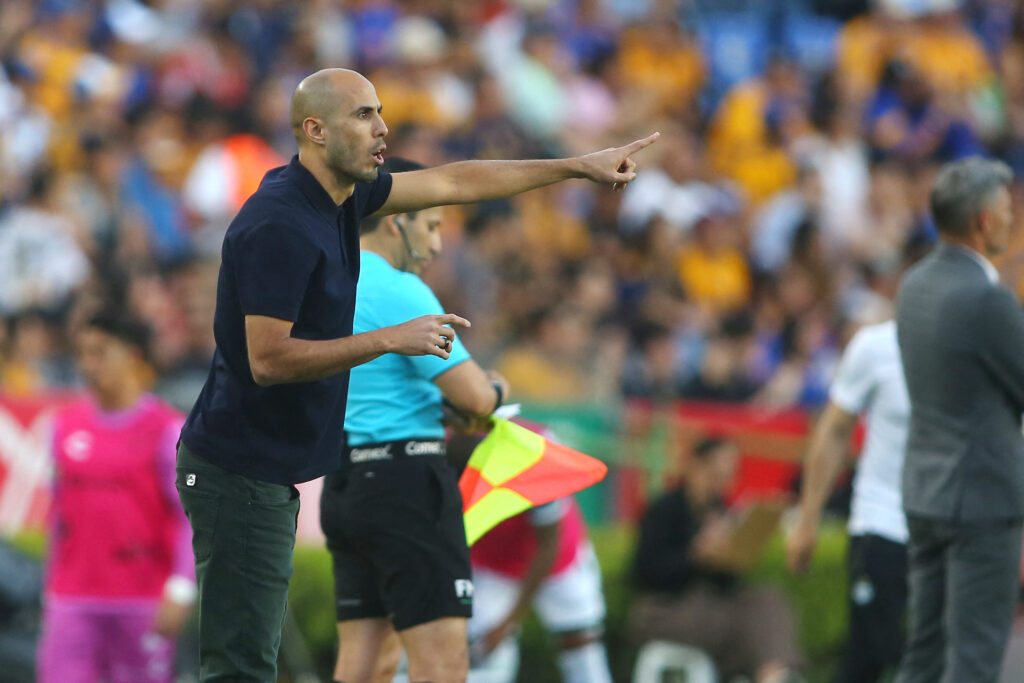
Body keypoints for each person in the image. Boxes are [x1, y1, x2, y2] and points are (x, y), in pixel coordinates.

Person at [176, 67, 658, 683]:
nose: (382, 128)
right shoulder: (281, 224)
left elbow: (456, 179)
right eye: (363, 115)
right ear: (315, 130)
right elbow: (268, 360)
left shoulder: (339, 199)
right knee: (244, 667)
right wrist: (391, 341)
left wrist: (577, 165)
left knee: (316, 662)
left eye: (379, 111)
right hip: (244, 471)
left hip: (280, 469)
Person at [321, 155, 510, 683]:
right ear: (395, 217)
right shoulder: (399, 289)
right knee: (442, 664)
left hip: (346, 479)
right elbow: (474, 397)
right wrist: (496, 389)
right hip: (406, 481)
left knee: (364, 661)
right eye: (430, 224)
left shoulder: (329, 279)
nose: (436, 243)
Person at [894, 157, 1024, 683]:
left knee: (923, 656)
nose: (1014, 220)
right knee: (974, 658)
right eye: (1009, 210)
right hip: (982, 501)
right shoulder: (986, 299)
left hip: (926, 491)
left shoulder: (913, 285)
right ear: (984, 221)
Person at [38, 309, 194, 683]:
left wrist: (181, 589)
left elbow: (187, 517)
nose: (89, 364)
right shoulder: (63, 428)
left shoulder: (165, 430)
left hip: (142, 602)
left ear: (132, 356)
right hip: (72, 600)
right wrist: (50, 590)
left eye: (101, 352)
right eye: (83, 353)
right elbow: (59, 515)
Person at [787, 312, 910, 682]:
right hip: (883, 520)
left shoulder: (989, 341)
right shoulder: (878, 346)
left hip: (956, 525)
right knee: (872, 652)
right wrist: (807, 522)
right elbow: (834, 430)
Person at [627, 436, 801, 683]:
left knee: (766, 598)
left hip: (711, 609)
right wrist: (694, 555)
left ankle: (774, 674)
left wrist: (734, 553)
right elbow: (644, 572)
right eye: (715, 474)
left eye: (727, 476)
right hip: (667, 610)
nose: (720, 483)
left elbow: (727, 584)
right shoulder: (665, 509)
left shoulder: (720, 510)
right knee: (737, 621)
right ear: (694, 466)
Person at [468, 492, 612, 683]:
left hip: (561, 560)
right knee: (482, 647)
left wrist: (507, 623)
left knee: (581, 644)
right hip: (494, 563)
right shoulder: (453, 473)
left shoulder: (538, 472)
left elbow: (548, 546)